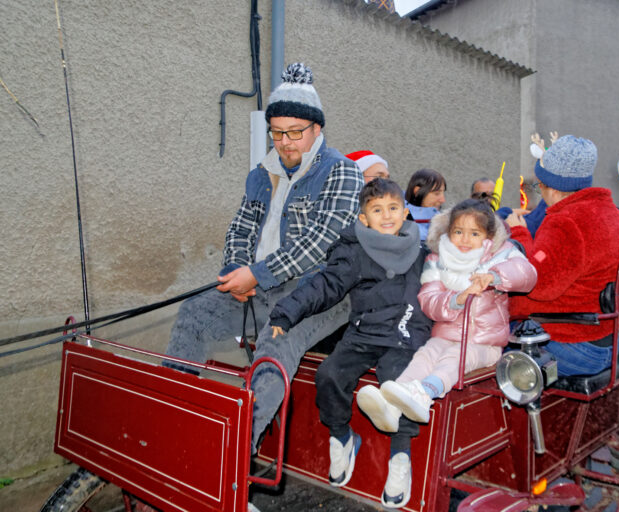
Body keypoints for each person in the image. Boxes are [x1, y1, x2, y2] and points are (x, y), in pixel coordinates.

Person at [163, 63, 364, 453]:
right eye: (277, 132)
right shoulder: (261, 174)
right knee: (192, 315)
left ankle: (236, 455)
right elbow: (240, 229)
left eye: (295, 132)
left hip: (320, 291)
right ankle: (174, 417)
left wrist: (255, 274)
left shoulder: (343, 172)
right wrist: (234, 273)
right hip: (259, 283)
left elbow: (318, 243)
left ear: (317, 129)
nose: (285, 142)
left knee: (274, 343)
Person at [268, 179, 430, 508]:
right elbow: (325, 285)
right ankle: (342, 436)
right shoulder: (355, 251)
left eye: (394, 208)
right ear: (363, 218)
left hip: (404, 334)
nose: (387, 216)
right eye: (377, 210)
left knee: (398, 384)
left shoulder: (423, 252)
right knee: (328, 374)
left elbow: (449, 281)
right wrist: (286, 313)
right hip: (363, 332)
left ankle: (401, 456)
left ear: (405, 212)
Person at [357, 199, 537, 427]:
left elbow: (527, 274)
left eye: (474, 233)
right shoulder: (438, 259)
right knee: (425, 355)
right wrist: (455, 300)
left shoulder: (501, 255)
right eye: (458, 231)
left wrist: (495, 277)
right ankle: (392, 403)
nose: (465, 239)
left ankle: (424, 394)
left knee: (453, 360)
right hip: (445, 335)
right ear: (449, 231)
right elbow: (428, 299)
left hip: (485, 343)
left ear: (488, 237)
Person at [505, 135, 619, 377]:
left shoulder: (565, 221)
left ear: (553, 187)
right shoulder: (612, 214)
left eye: (539, 186)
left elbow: (537, 283)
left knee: (487, 354)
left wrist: (519, 233)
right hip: (608, 339)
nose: (540, 191)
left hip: (575, 347)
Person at [404, 168, 447, 240]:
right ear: (417, 191)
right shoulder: (397, 220)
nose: (443, 200)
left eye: (443, 193)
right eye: (436, 193)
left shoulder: (442, 221)